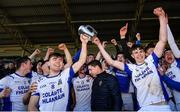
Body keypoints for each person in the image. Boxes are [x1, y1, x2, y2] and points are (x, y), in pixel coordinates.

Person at [92, 7, 171, 111]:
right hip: (144, 108)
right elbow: (111, 61)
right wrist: (99, 45)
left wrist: (161, 18)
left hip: (161, 105)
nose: (139, 54)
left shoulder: (151, 60)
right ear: (132, 56)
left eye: (141, 51)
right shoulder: (131, 68)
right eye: (136, 52)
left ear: (144, 53)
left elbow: (162, 40)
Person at [28, 34, 88, 111]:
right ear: (48, 63)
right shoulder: (38, 82)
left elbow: (81, 60)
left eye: (60, 60)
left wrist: (84, 43)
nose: (58, 61)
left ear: (62, 64)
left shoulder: (66, 74)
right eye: (54, 59)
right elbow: (31, 107)